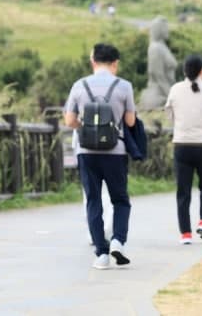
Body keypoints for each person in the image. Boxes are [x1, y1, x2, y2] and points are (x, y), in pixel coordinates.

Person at [64, 43, 136, 270]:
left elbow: (69, 121)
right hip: (115, 152)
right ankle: (118, 241)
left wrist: (85, 128)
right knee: (120, 200)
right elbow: (131, 121)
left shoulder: (79, 85)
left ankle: (101, 255)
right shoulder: (124, 86)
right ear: (115, 63)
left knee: (93, 201)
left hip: (87, 152)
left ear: (93, 61)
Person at [165, 55, 202, 245]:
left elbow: (169, 114)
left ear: (184, 71)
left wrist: (181, 127)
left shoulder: (175, 90)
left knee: (183, 190)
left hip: (182, 144)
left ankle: (185, 234)